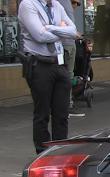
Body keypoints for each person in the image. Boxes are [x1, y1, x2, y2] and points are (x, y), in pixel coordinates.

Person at [18, 0, 79, 154]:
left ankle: (60, 151)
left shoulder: (57, 6)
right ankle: (43, 153)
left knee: (62, 114)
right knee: (42, 114)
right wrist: (62, 31)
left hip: (59, 63)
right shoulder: (28, 4)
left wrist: (51, 28)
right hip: (39, 64)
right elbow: (39, 35)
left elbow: (73, 31)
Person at [59, 0, 84, 117]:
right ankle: (66, 105)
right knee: (66, 75)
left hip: (70, 42)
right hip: (65, 43)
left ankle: (65, 105)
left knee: (68, 74)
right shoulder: (58, 3)